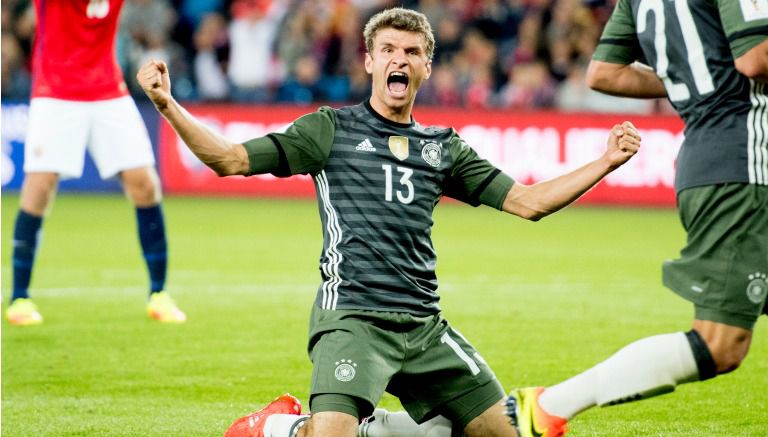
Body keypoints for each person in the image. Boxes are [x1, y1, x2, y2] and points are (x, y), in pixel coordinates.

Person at [137, 7, 641, 437]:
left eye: (412, 51)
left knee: (501, 431)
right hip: (354, 317)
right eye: (388, 49)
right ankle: (283, 427)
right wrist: (166, 103)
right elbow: (228, 159)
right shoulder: (328, 130)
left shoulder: (443, 147)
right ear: (370, 61)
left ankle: (367, 424)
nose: (399, 58)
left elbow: (529, 202)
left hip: (424, 325)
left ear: (426, 66)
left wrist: (606, 162)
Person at [506, 1, 768, 436]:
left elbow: (605, 72)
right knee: (721, 343)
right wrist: (710, 76)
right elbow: (755, 58)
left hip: (710, 157)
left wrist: (698, 76)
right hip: (743, 160)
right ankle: (544, 408)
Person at [6, 0, 186, 326]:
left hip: (107, 90)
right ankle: (19, 297)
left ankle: (159, 293)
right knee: (40, 187)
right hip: (55, 91)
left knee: (144, 184)